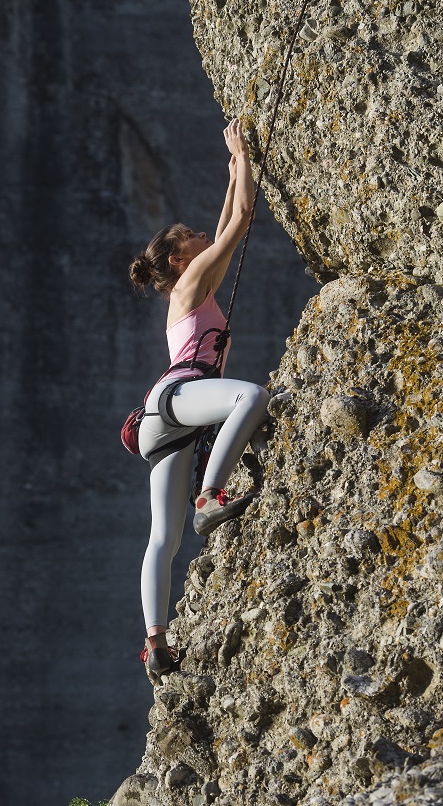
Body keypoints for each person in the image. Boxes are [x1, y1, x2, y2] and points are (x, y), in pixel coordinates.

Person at [127, 119, 269, 684]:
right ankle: (212, 493)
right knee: (251, 396)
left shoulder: (193, 283)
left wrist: (238, 165)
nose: (196, 233)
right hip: (179, 396)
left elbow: (229, 217)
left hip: (161, 418)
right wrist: (238, 155)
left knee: (164, 535)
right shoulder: (190, 286)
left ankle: (155, 642)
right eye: (186, 234)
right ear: (178, 260)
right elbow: (237, 223)